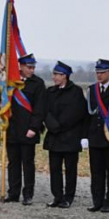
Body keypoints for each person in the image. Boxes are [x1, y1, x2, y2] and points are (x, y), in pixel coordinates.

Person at [43, 61, 88, 208]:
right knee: (54, 169)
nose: (54, 77)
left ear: (65, 76)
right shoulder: (50, 92)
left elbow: (76, 113)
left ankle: (68, 197)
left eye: (57, 74)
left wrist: (59, 125)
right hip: (54, 137)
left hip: (70, 138)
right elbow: (44, 110)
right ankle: (57, 196)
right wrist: (53, 125)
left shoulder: (76, 92)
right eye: (54, 74)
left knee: (70, 169)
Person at [4, 53, 46, 206]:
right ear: (20, 67)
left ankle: (28, 194)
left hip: (28, 130)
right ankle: (13, 193)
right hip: (11, 129)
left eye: (33, 67)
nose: (32, 70)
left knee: (27, 164)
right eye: (29, 67)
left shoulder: (38, 83)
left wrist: (34, 127)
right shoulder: (10, 82)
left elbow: (40, 108)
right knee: (13, 163)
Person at [84, 59, 109, 212]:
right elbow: (87, 115)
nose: (99, 75)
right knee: (96, 172)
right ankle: (97, 200)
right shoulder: (92, 90)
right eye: (97, 72)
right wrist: (85, 136)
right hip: (95, 136)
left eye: (102, 72)